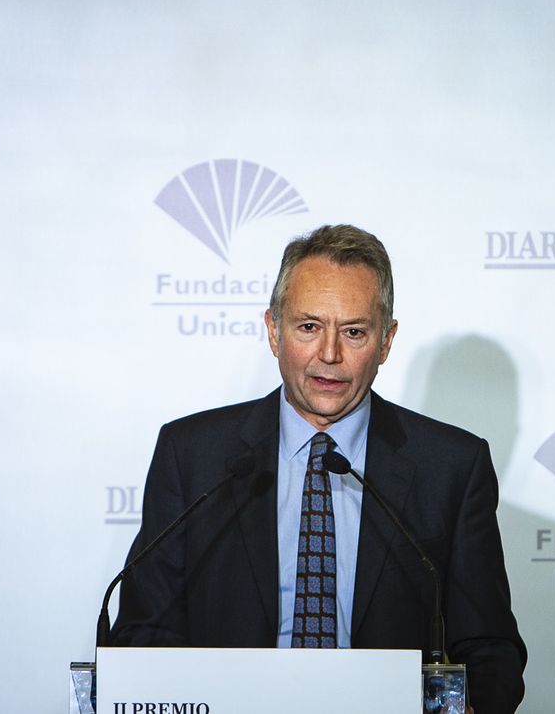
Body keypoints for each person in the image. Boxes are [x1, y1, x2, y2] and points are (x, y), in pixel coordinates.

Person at [110, 224, 526, 714]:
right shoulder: (193, 455)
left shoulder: (451, 467)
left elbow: (491, 651)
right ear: (273, 329)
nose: (329, 355)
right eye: (308, 327)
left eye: (354, 332)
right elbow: (144, 631)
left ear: (387, 341)